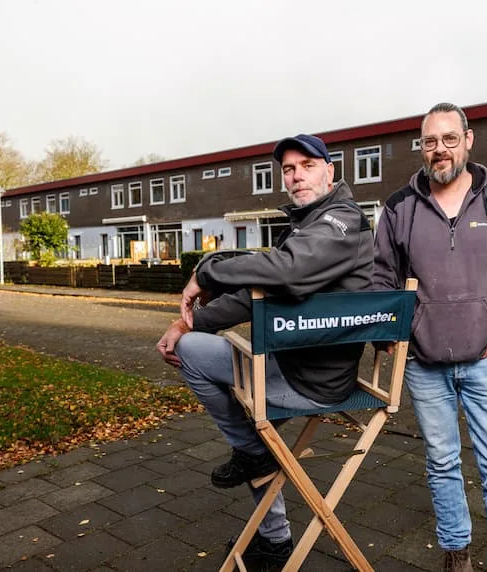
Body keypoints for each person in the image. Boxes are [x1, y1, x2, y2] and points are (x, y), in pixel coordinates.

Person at [157, 134, 373, 568]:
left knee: (207, 369)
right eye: (288, 169)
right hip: (290, 363)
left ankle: (253, 459)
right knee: (203, 353)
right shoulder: (310, 226)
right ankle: (273, 536)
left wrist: (208, 270)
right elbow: (259, 294)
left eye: (307, 165)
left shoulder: (341, 222)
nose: (296, 176)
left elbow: (288, 272)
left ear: (330, 172)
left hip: (311, 380)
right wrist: (189, 321)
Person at [373, 103, 487, 572]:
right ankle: (457, 553)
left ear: (468, 140)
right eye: (430, 141)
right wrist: (390, 335)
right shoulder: (398, 207)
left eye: (449, 139)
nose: (440, 150)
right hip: (425, 364)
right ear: (422, 148)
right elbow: (382, 279)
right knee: (442, 463)